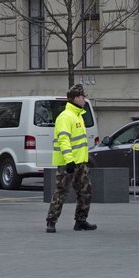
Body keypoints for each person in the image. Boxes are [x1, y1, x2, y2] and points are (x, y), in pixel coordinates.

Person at [45, 84, 97, 233]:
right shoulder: (65, 117)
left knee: (86, 192)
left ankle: (81, 221)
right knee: (61, 192)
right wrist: (69, 160)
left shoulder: (77, 115)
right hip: (68, 163)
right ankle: (51, 221)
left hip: (80, 162)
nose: (85, 99)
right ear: (76, 98)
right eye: (82, 97)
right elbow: (64, 140)